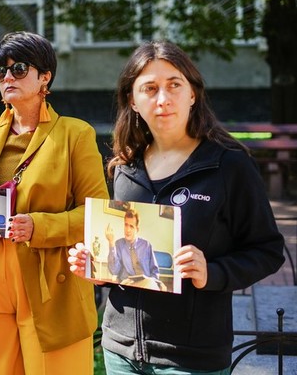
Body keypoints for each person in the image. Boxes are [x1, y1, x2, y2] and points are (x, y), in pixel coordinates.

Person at [68, 41, 285, 374]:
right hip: (120, 350)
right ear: (132, 100)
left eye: (174, 85)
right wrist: (98, 268)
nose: (163, 99)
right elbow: (128, 264)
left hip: (191, 358)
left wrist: (211, 272)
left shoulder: (229, 165)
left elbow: (267, 251)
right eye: (150, 88)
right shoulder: (125, 167)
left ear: (192, 94)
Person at [0, 31, 109, 375]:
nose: (7, 77)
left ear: (45, 76)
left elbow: (97, 214)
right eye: (0, 71)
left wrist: (39, 226)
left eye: (19, 69)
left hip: (50, 284)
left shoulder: (75, 134)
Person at [105, 208, 160, 286]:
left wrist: (153, 283)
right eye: (126, 225)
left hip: (146, 284)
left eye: (131, 226)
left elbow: (155, 272)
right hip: (127, 284)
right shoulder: (118, 244)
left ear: (137, 229)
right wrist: (111, 243)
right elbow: (114, 271)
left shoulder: (146, 245)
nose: (128, 230)